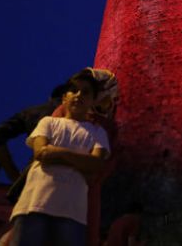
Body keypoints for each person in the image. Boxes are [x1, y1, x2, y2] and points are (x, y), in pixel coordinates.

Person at [9, 68, 111, 246]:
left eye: (86, 92)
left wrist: (58, 152)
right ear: (64, 97)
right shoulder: (48, 122)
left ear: (94, 100)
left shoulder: (98, 132)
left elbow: (96, 164)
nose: (79, 95)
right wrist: (79, 161)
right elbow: (41, 153)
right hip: (34, 204)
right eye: (74, 90)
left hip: (72, 212)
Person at [51, 68, 120, 246]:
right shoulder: (66, 115)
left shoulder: (105, 122)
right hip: (57, 184)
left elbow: (106, 160)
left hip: (86, 186)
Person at [0, 82, 70, 183]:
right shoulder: (81, 117)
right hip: (68, 179)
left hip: (33, 176)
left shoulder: (31, 113)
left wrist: (14, 175)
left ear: (50, 97)